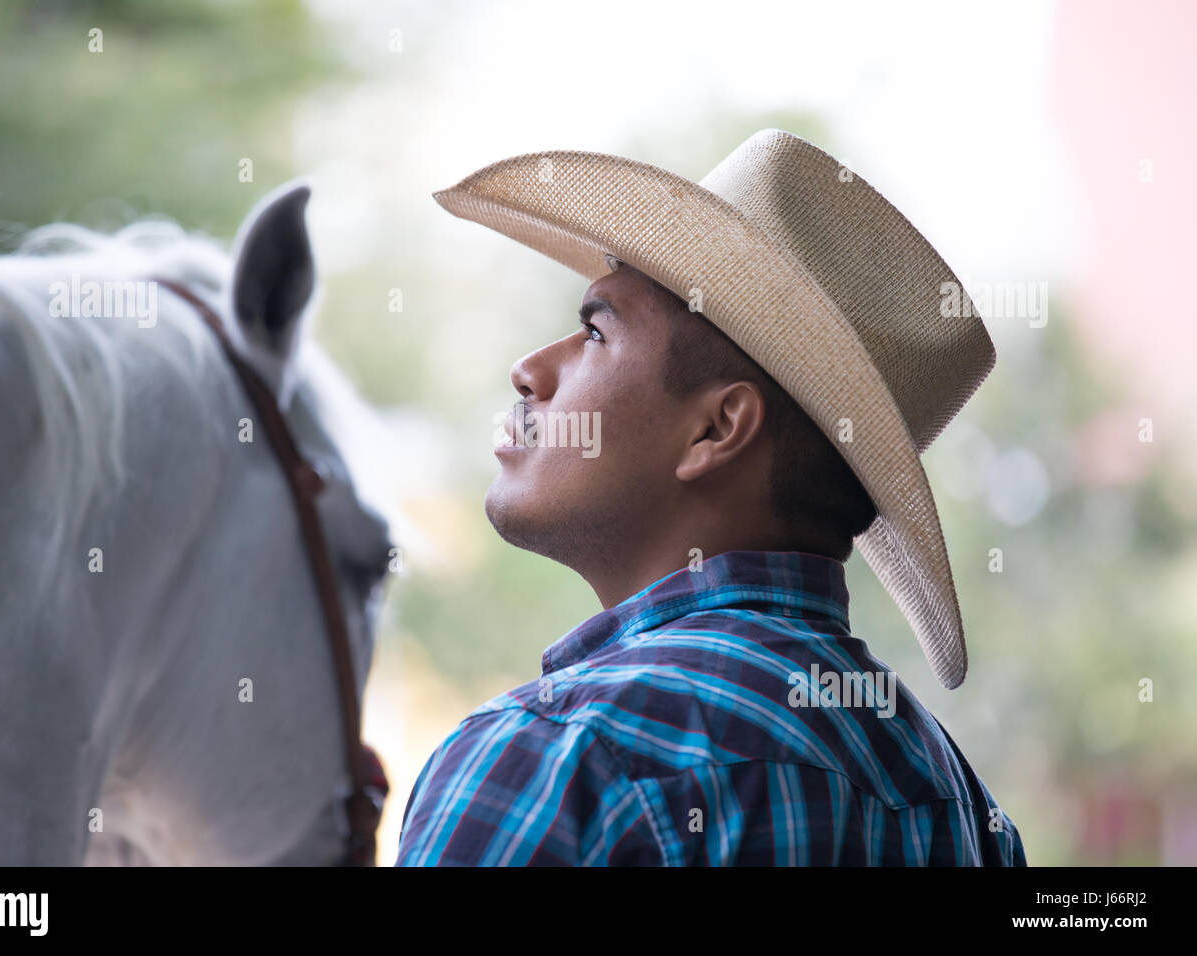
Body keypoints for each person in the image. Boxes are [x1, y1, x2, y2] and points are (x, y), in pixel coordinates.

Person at [396, 129, 1026, 866]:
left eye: (595, 332)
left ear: (717, 428)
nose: (529, 370)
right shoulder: (965, 819)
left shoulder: (564, 759)